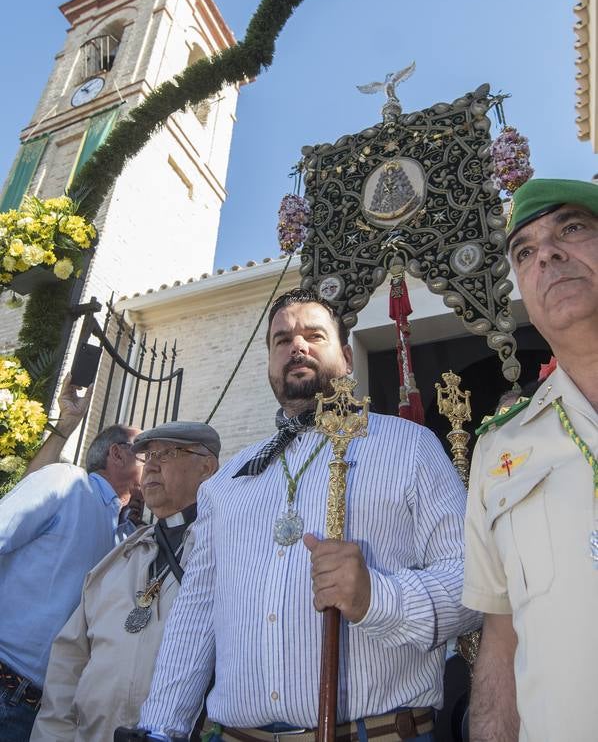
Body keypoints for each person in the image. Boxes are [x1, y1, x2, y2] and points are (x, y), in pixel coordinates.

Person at [137, 288, 478, 741]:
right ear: (270, 366)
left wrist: (378, 598)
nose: (296, 346)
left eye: (314, 335)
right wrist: (161, 729)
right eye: (281, 340)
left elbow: (472, 582)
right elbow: (196, 616)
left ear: (347, 358)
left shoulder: (409, 447)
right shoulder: (226, 483)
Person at [462, 178, 598, 742]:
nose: (547, 252)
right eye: (525, 251)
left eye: (571, 228)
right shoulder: (499, 451)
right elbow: (501, 635)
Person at [31, 421, 220, 741]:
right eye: (149, 456)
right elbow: (69, 658)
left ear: (206, 467)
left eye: (169, 453)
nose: (152, 466)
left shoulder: (225, 551)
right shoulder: (119, 558)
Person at [0, 423, 141, 741]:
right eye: (146, 451)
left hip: (40, 712)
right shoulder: (67, 482)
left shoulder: (127, 537)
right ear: (116, 454)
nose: (157, 459)